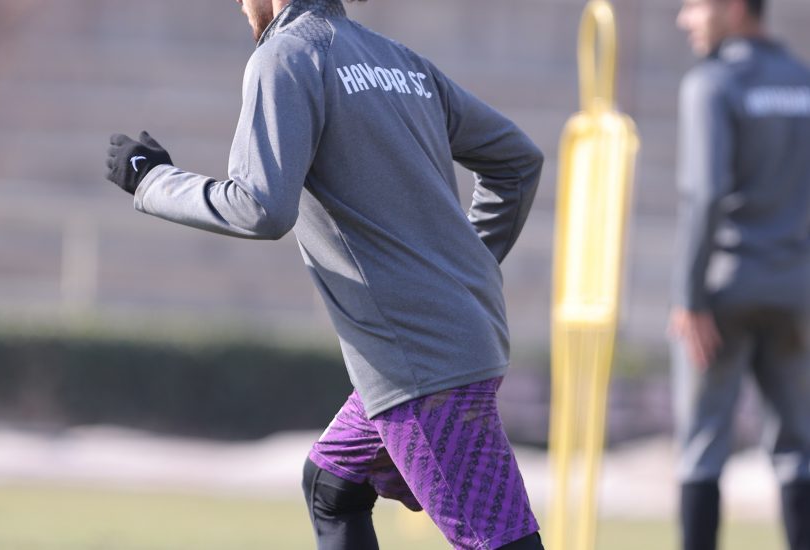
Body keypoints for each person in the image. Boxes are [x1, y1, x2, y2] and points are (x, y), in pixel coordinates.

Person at [103, 0, 545, 548]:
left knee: (499, 542)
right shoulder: (398, 60)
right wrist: (460, 275)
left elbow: (259, 207)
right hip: (456, 336)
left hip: (420, 359)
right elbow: (517, 161)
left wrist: (153, 181)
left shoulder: (286, 56)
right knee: (332, 484)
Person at [670, 0, 810, 548]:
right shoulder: (802, 82)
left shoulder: (712, 83)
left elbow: (704, 194)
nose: (684, 19)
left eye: (693, 5)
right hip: (795, 291)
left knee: (702, 448)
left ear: (731, 7)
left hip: (722, 291)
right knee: (799, 450)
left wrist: (689, 297)